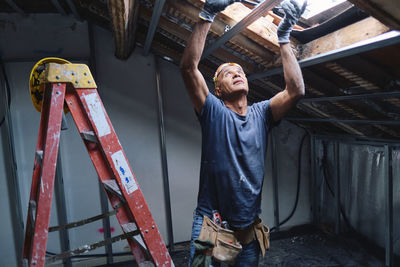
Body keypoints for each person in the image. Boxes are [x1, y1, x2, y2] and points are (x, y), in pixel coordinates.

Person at [180, 0, 306, 266]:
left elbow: (296, 91)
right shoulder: (213, 111)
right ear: (218, 90)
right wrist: (208, 14)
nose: (237, 73)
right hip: (210, 223)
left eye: (240, 71)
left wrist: (284, 38)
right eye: (228, 73)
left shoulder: (262, 114)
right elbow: (189, 68)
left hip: (248, 227)